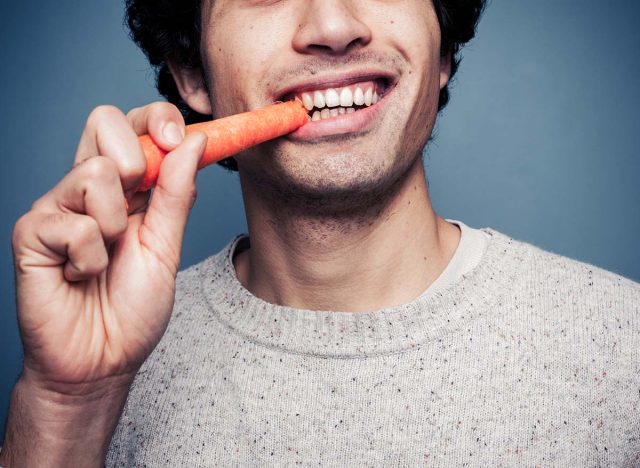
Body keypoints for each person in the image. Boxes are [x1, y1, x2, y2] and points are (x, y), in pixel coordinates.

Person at [1, 0, 638, 465]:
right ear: (192, 74)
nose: (333, 27)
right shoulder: (100, 373)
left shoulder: (622, 345)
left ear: (442, 49)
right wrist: (69, 404)